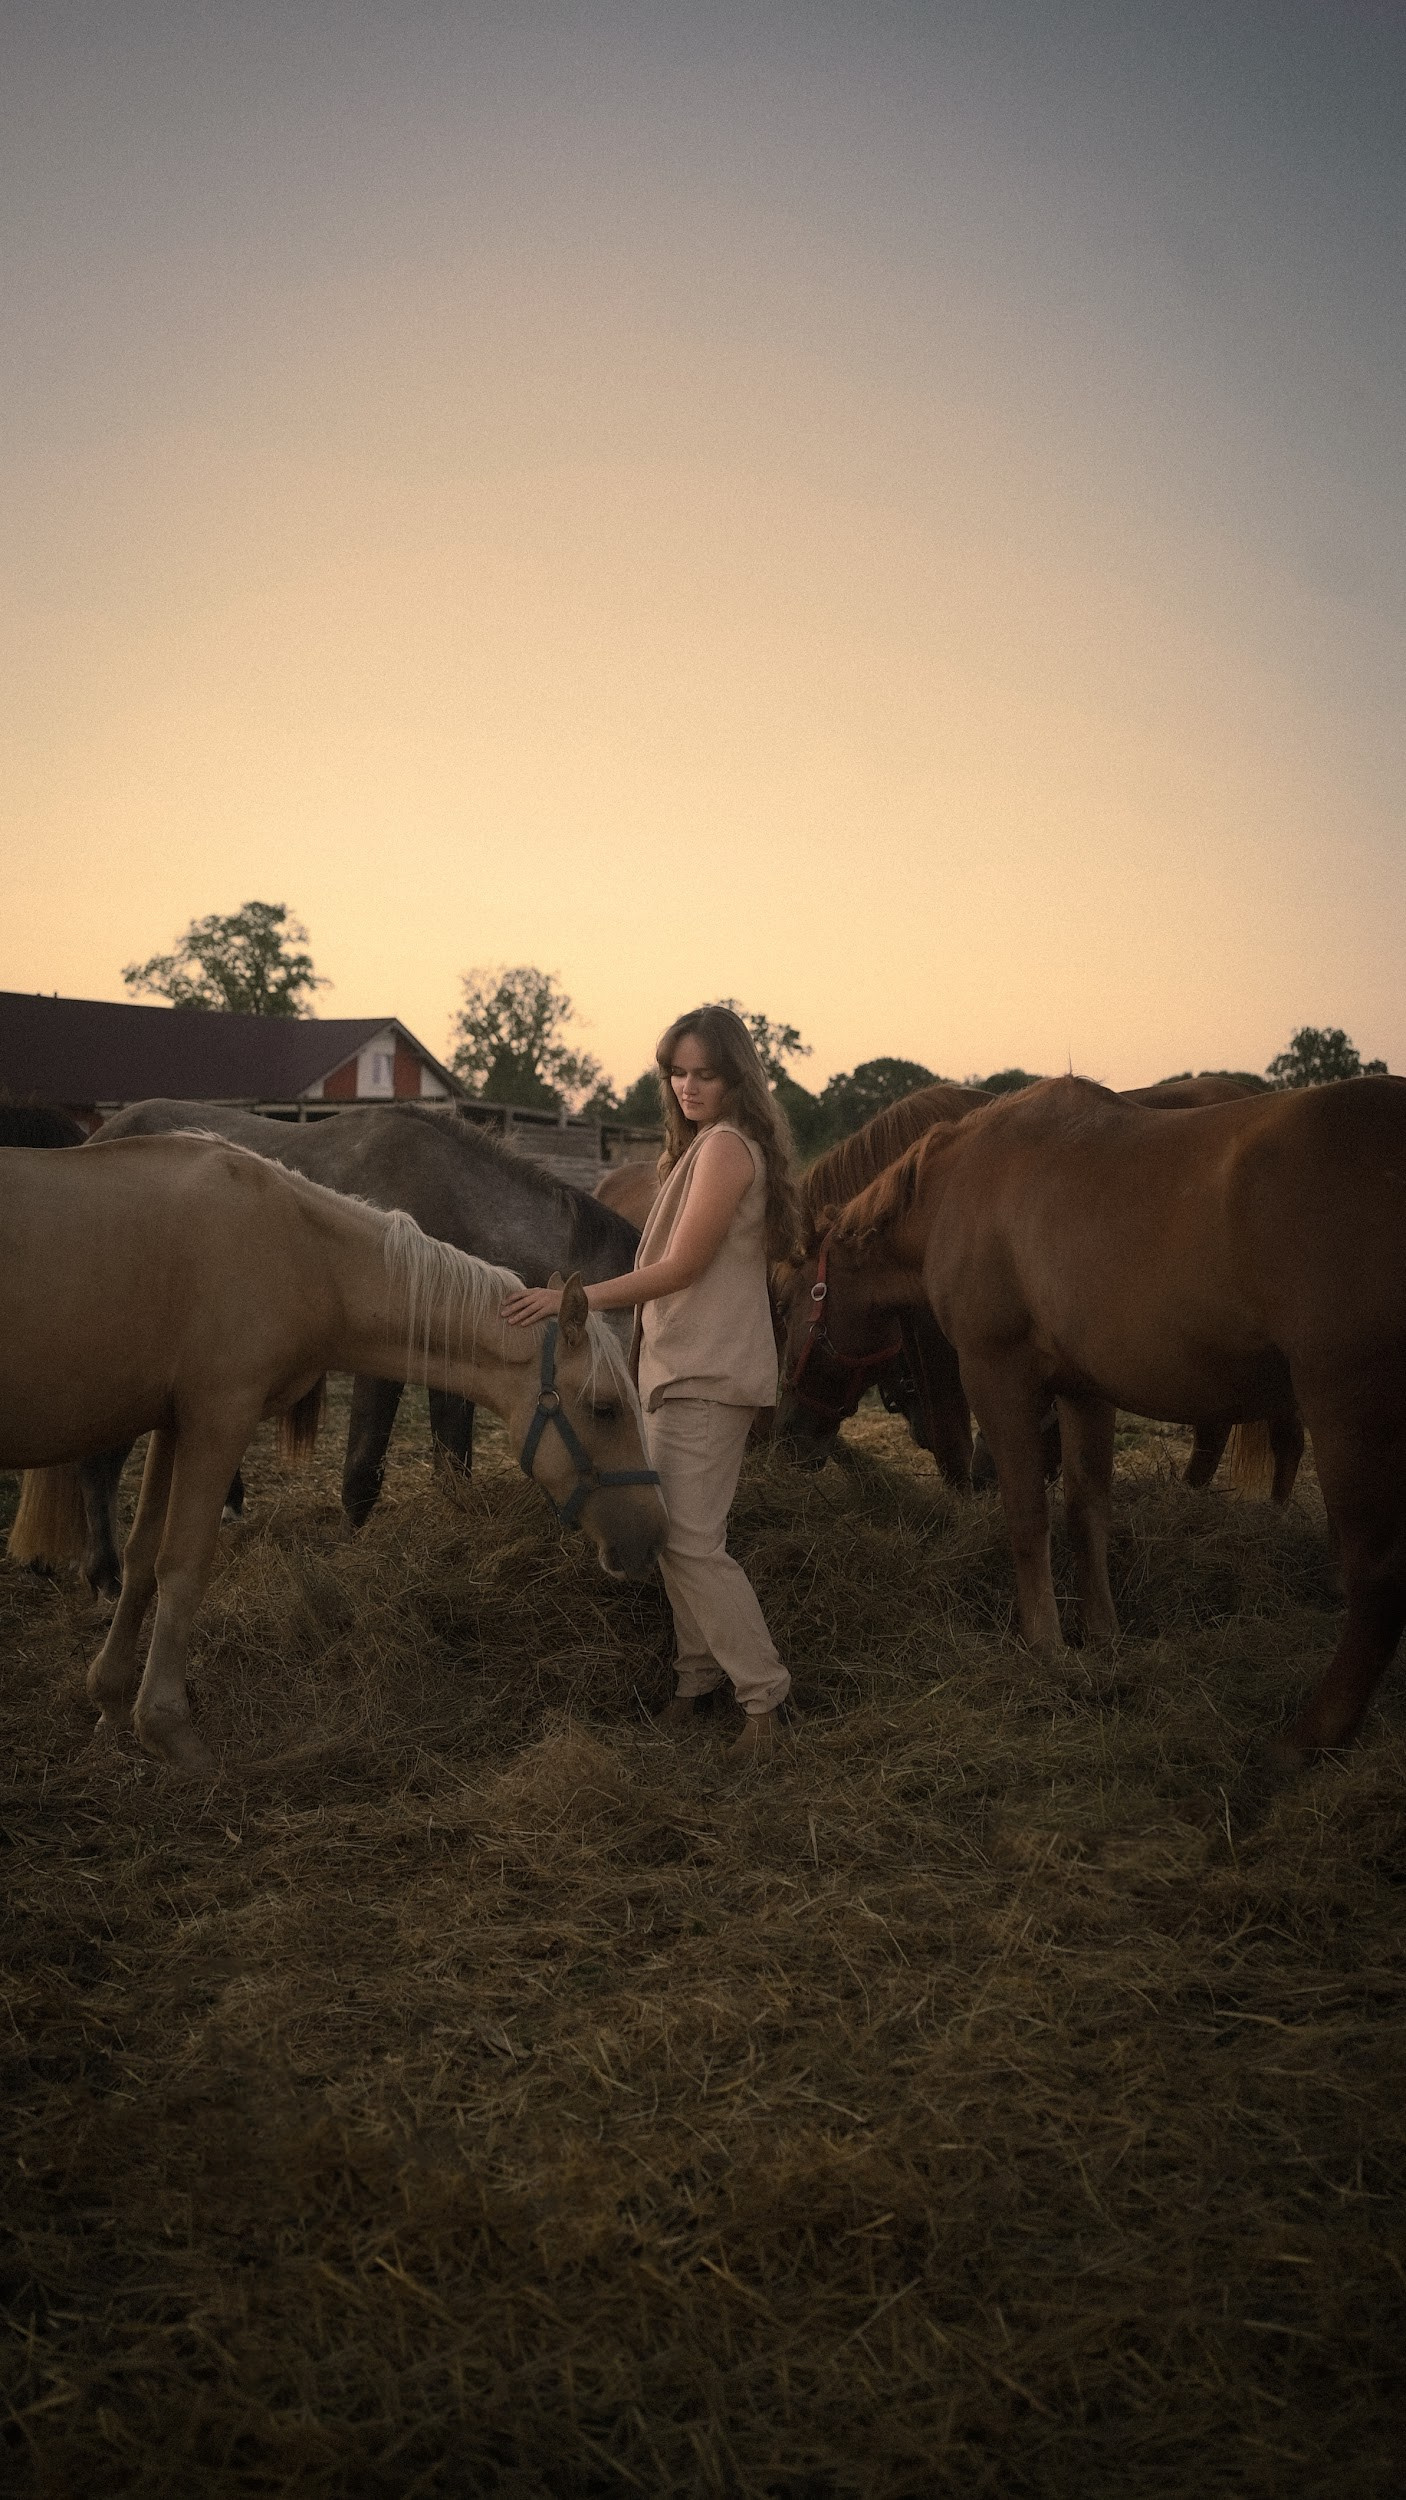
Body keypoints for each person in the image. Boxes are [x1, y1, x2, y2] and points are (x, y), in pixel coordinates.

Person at [503, 1004, 800, 1763]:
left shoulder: (728, 1149)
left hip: (708, 1371)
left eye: (705, 1073)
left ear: (736, 1078)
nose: (688, 1086)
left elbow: (683, 1267)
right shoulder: (702, 1147)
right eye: (677, 1072)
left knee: (696, 1545)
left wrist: (574, 1298)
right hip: (681, 1369)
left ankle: (764, 1700)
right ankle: (694, 1685)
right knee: (679, 1540)